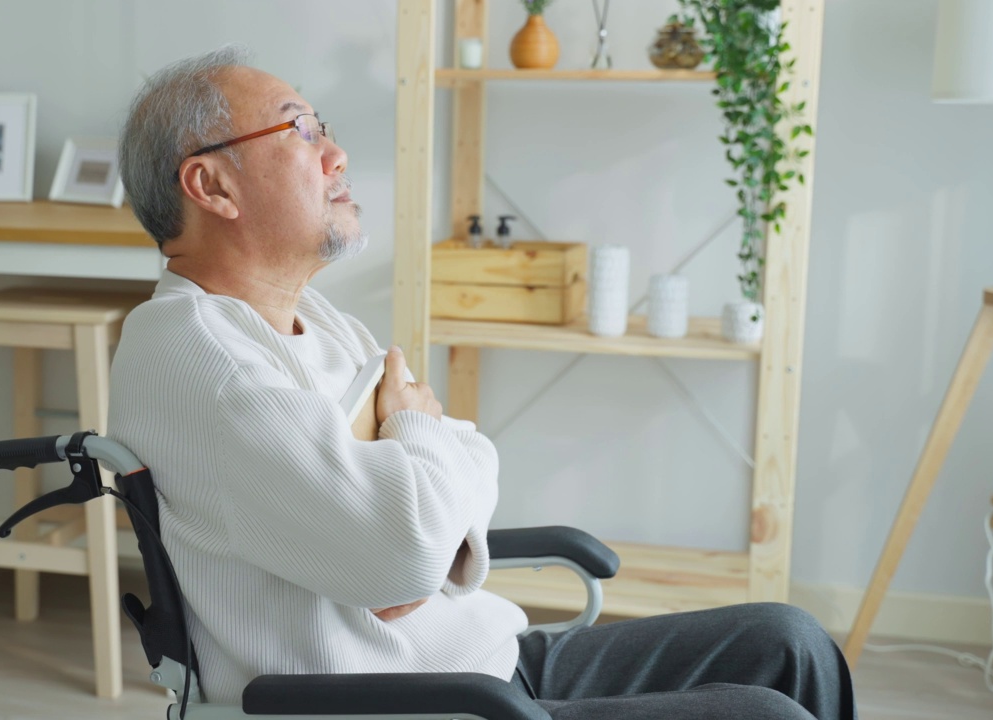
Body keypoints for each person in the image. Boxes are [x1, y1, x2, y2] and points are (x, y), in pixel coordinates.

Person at [108, 45, 856, 720]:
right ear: (211, 185)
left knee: (788, 641)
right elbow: (402, 555)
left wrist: (410, 477)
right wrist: (414, 461)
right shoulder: (202, 360)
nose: (335, 154)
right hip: (417, 704)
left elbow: (461, 470)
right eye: (299, 129)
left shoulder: (318, 321)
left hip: (482, 668)